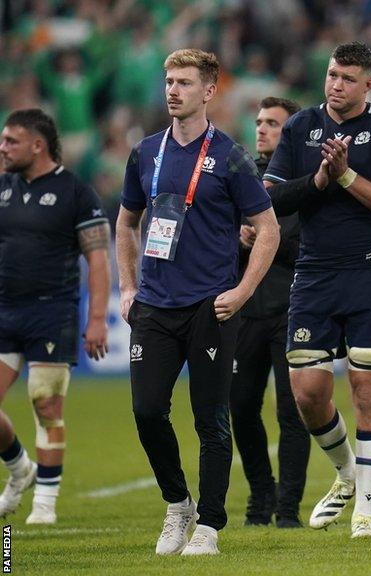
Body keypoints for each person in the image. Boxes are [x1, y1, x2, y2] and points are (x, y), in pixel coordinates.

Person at [117, 48, 280, 555]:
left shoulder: (230, 156)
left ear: (209, 91)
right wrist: (126, 287)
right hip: (155, 305)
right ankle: (177, 505)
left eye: (184, 82)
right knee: (147, 411)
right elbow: (126, 222)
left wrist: (242, 290)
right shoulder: (145, 152)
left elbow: (267, 229)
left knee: (210, 417)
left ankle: (208, 525)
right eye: (168, 80)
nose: (172, 89)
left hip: (211, 306)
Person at [262, 42, 371, 539]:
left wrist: (345, 174)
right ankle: (345, 472)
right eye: (331, 75)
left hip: (369, 271)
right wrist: (321, 179)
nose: (335, 84)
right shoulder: (301, 126)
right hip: (315, 272)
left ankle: (365, 514)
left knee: (369, 391)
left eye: (347, 77)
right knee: (308, 393)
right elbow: (272, 197)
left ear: (368, 84)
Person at [0, 108, 110, 525]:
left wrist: (96, 319)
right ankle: (19, 469)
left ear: (37, 145)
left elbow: (97, 260)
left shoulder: (75, 192)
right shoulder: (3, 188)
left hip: (51, 311)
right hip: (5, 309)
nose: (3, 147)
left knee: (45, 404)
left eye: (11, 140)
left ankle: (45, 500)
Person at [230, 96, 310, 529]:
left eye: (273, 124)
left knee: (291, 411)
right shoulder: (238, 180)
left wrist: (264, 239)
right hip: (244, 311)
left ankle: (288, 507)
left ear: (291, 134)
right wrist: (236, 242)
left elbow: (310, 253)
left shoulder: (306, 186)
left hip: (293, 310)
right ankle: (261, 492)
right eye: (259, 122)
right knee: (240, 407)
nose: (261, 129)